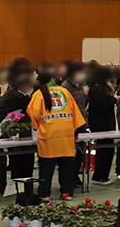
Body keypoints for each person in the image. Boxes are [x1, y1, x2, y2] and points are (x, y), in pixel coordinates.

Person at [0, 58, 36, 195]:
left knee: (1, 158)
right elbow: (28, 102)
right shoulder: (15, 95)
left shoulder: (18, 93)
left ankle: (0, 186)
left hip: (4, 127)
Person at [27, 71, 85, 199]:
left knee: (46, 166)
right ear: (53, 78)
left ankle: (44, 194)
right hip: (66, 133)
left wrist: (38, 124)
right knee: (66, 165)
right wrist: (75, 131)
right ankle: (67, 192)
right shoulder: (65, 92)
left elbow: (33, 113)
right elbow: (75, 111)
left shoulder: (38, 94)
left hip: (49, 134)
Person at [87, 66, 118, 186]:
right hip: (101, 125)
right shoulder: (97, 89)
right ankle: (100, 176)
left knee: (106, 150)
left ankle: (102, 175)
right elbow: (102, 106)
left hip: (105, 124)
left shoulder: (100, 87)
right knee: (104, 151)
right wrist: (114, 99)